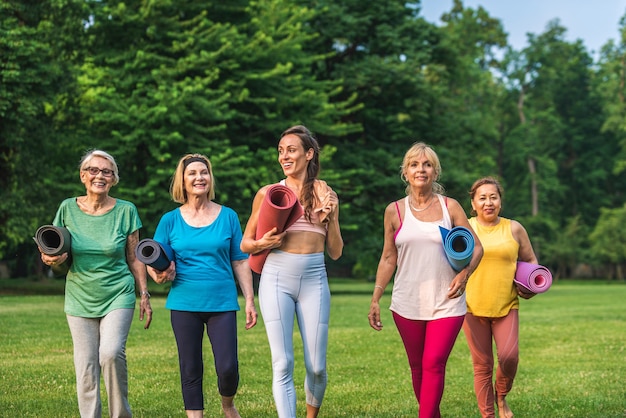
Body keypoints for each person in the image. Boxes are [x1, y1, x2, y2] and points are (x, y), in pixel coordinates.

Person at [368, 142, 483, 418]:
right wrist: (375, 297)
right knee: (418, 367)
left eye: (427, 164)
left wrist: (465, 275)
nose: (421, 169)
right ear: (405, 172)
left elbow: (477, 247)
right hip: (407, 301)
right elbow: (387, 257)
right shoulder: (393, 211)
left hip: (447, 301)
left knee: (434, 363)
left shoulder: (450, 207)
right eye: (415, 165)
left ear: (435, 172)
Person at [38, 149, 152, 418]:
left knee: (111, 353)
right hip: (79, 295)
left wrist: (144, 294)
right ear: (82, 175)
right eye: (93, 170)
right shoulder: (67, 208)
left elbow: (134, 257)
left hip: (118, 293)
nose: (99, 175)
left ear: (114, 179)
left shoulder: (126, 211)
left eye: (106, 171)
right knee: (86, 365)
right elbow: (54, 248)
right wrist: (51, 259)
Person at [240, 125, 343, 418]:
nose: (284, 156)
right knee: (282, 362)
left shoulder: (325, 192)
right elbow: (246, 243)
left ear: (309, 154)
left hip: (314, 278)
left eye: (291, 150)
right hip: (276, 277)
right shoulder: (270, 193)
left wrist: (332, 217)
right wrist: (264, 242)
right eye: (281, 151)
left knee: (317, 366)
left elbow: (335, 252)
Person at [146, 153, 257, 418]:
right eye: (192, 173)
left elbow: (240, 261)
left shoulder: (228, 216)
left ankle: (228, 404)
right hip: (184, 302)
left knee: (228, 367)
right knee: (190, 367)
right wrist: (159, 276)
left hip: (222, 302)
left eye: (204, 172)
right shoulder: (170, 220)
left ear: (210, 178)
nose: (199, 178)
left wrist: (250, 300)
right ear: (182, 181)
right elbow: (153, 258)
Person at [462, 176, 538, 418]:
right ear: (473, 204)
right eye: (482, 198)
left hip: (507, 305)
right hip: (471, 307)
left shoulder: (514, 228)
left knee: (509, 357)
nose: (488, 202)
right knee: (482, 366)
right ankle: (489, 414)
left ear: (501, 202)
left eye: (493, 197)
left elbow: (531, 260)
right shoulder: (464, 228)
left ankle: (501, 395)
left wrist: (531, 285)